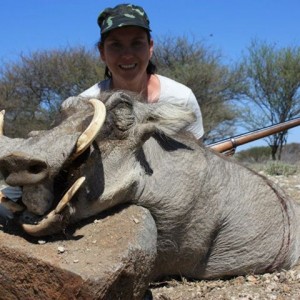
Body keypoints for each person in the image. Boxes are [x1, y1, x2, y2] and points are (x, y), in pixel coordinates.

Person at [79, 3, 204, 140]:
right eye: (116, 45)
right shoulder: (86, 106)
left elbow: (197, 156)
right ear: (102, 52)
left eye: (136, 43)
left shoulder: (182, 98)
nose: (127, 55)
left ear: (150, 47)